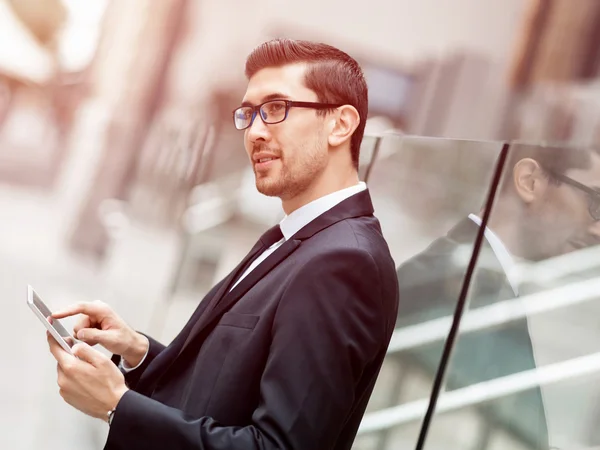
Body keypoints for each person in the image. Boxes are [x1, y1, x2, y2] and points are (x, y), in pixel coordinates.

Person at [46, 38, 399, 450]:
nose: (255, 132)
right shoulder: (302, 236)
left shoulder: (344, 262)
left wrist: (116, 406)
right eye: (249, 114)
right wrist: (138, 351)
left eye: (276, 109)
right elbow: (227, 388)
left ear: (340, 124)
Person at [393, 142, 600, 449]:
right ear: (529, 181)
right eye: (596, 203)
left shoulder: (483, 279)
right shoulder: (442, 285)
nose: (598, 230)